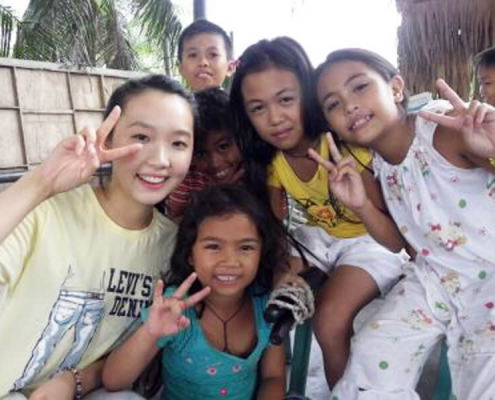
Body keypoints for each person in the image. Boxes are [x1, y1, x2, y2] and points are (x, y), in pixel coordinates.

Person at [312, 48, 495, 399]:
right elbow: (398, 242)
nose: (349, 105)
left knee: (484, 371)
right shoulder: (380, 167)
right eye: (333, 104)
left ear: (396, 88)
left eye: (359, 87)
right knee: (370, 359)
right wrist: (362, 206)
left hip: (489, 272)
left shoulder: (444, 130)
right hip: (434, 280)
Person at [0, 74, 197, 399]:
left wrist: (77, 380)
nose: (160, 160)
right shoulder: (47, 210)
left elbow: (126, 348)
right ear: (109, 140)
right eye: (141, 137)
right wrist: (42, 182)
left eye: (178, 143)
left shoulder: (172, 246)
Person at [229, 36, 409, 388]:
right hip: (319, 236)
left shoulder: (347, 147)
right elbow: (276, 226)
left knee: (329, 321)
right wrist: (283, 272)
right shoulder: (273, 161)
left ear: (309, 94)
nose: (275, 118)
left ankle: (347, 394)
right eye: (258, 108)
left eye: (285, 100)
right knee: (274, 288)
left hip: (372, 240)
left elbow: (389, 228)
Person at [103, 185, 292, 400]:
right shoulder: (174, 309)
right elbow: (114, 381)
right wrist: (150, 333)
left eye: (246, 247)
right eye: (213, 247)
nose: (230, 261)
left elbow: (273, 377)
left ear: (261, 252)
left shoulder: (267, 305)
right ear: (190, 254)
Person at [165, 87, 243, 221]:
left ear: (241, 138)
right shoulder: (187, 177)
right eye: (200, 154)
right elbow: (174, 220)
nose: (215, 162)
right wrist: (217, 194)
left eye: (223, 146)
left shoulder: (253, 169)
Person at [178, 19, 235, 92]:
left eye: (213, 55)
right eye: (193, 55)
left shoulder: (240, 99)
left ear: (230, 67)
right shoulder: (171, 99)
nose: (203, 62)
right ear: (181, 69)